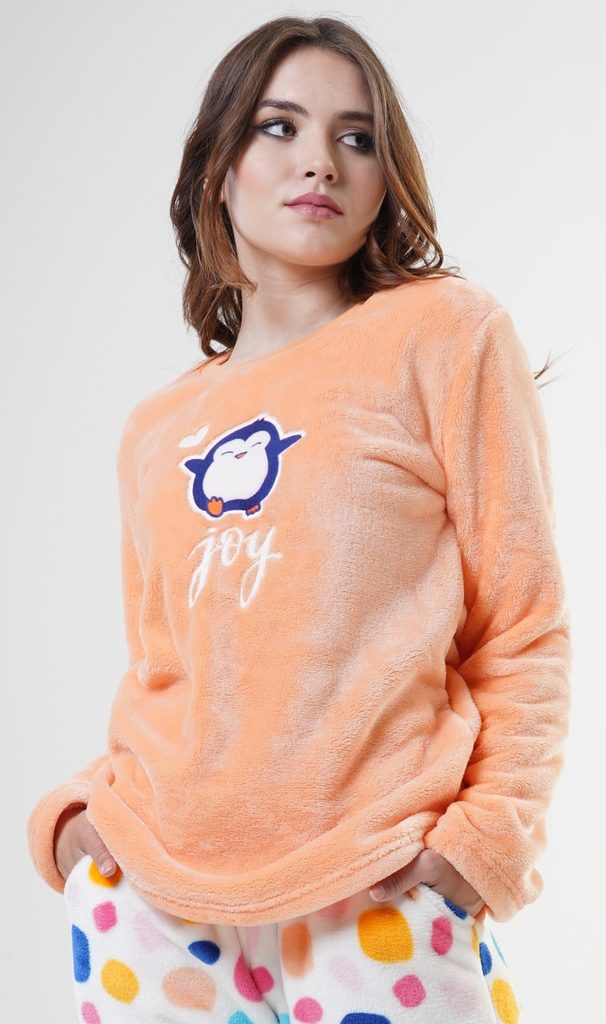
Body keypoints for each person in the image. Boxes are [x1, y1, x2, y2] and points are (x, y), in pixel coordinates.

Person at [27, 15, 572, 1024]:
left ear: (385, 175)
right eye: (279, 127)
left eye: (356, 137)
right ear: (217, 168)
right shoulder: (156, 427)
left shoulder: (444, 335)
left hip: (375, 876)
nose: (320, 159)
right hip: (153, 895)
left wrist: (487, 841)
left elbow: (524, 625)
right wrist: (72, 818)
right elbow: (168, 668)